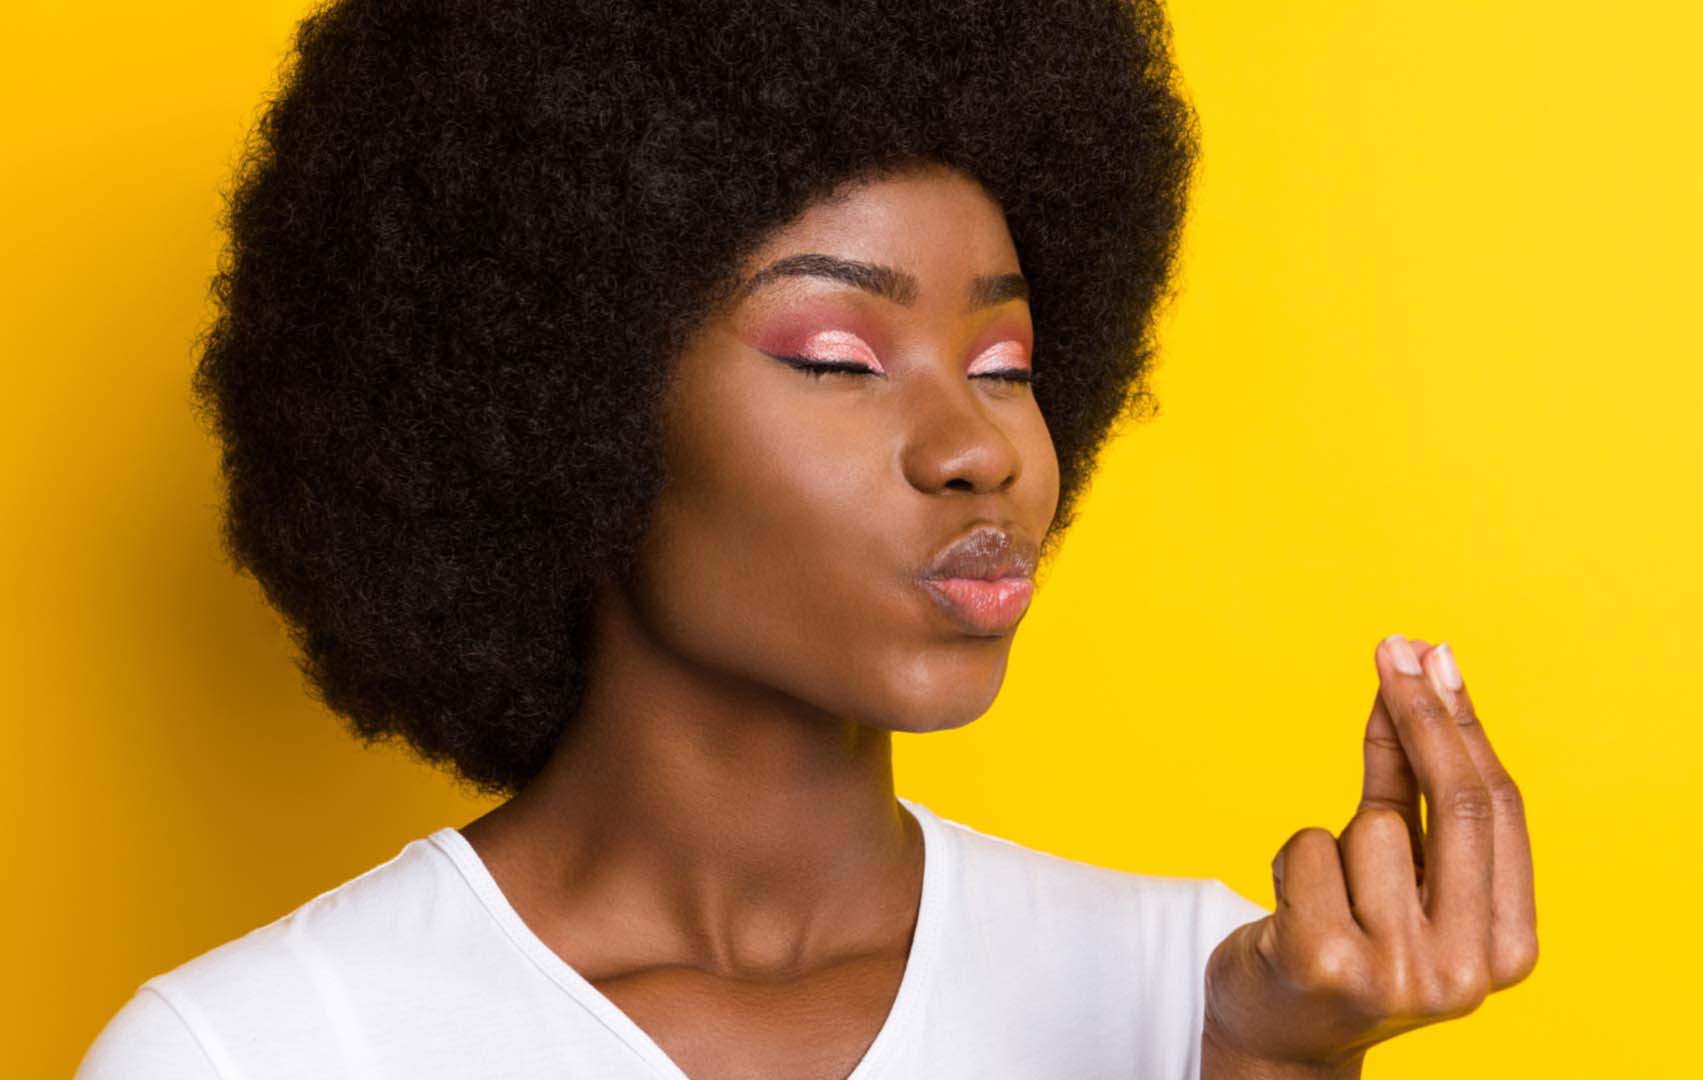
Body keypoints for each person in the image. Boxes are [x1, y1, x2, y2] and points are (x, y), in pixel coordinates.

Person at [78, 1, 1537, 1077]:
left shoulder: (1205, 996)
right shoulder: (259, 1050)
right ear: (562, 398)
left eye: (1008, 360)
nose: (979, 448)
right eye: (840, 357)